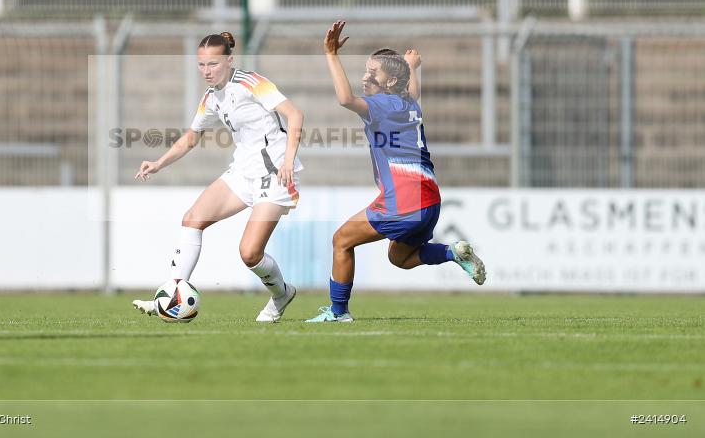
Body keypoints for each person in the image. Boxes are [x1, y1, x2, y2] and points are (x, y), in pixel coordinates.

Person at [305, 20, 485, 323]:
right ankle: (452, 253)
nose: (365, 77)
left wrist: (331, 54)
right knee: (399, 258)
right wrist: (411, 66)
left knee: (341, 241)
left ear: (389, 83)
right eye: (365, 70)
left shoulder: (382, 105)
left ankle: (338, 313)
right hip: (429, 199)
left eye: (372, 73)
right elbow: (412, 88)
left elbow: (345, 99)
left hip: (404, 199)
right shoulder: (409, 102)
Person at [132, 32, 304, 322]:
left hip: (274, 171)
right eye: (201, 65)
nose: (206, 71)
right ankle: (172, 295)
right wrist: (159, 163)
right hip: (242, 171)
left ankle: (281, 294)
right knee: (192, 219)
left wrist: (288, 160)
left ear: (229, 60)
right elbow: (190, 138)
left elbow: (295, 115)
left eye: (213, 64)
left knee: (250, 253)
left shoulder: (252, 83)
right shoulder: (211, 97)